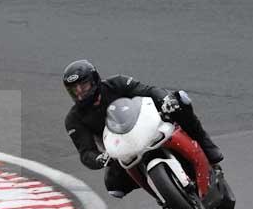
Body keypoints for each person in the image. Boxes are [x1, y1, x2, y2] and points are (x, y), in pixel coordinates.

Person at [62, 59, 224, 199]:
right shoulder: (73, 119)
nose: (79, 92)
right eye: (73, 89)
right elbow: (85, 152)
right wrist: (99, 159)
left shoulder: (117, 83)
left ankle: (208, 147)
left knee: (181, 102)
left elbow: (148, 91)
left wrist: (165, 99)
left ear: (94, 79)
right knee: (114, 186)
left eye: (83, 85)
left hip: (148, 124)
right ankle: (162, 192)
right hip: (121, 149)